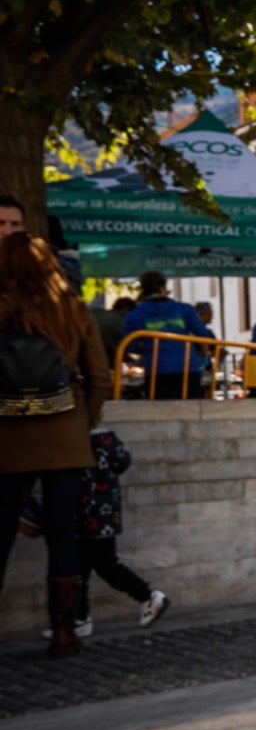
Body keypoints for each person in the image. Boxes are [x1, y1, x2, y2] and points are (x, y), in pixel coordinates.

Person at [0, 233, 112, 656]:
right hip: (64, 431)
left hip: (7, 436)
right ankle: (64, 631)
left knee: (1, 534)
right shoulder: (71, 306)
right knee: (63, 532)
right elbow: (99, 377)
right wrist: (84, 420)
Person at [31, 426, 169, 639]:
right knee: (84, 567)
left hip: (86, 518)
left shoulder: (76, 440)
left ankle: (147, 596)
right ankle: (80, 618)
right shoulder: (105, 441)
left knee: (101, 566)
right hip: (104, 518)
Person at [120, 271, 211, 399]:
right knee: (190, 409)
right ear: (163, 288)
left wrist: (146, 348)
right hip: (187, 367)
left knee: (162, 411)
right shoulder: (184, 309)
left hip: (157, 368)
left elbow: (130, 345)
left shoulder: (135, 315)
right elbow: (202, 333)